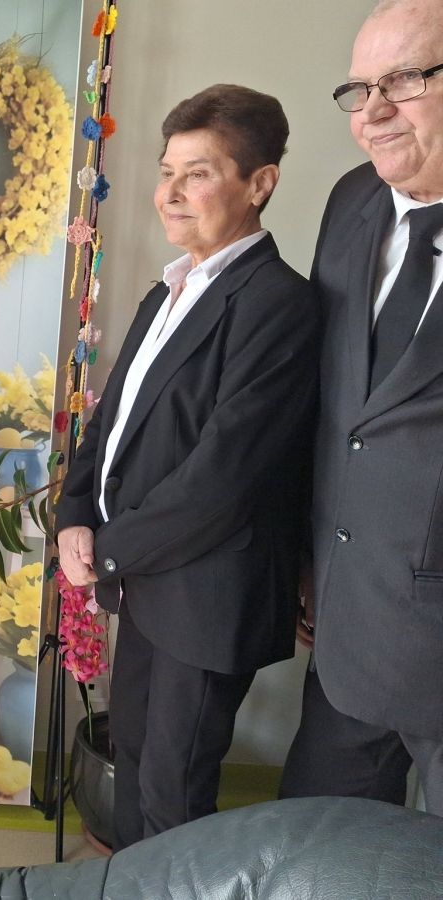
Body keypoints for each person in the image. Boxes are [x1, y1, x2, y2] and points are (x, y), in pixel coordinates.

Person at [53, 84, 319, 849]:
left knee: (172, 799)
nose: (169, 193)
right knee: (134, 768)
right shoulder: (168, 292)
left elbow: (221, 480)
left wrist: (107, 549)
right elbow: (109, 426)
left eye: (196, 174)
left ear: (260, 183)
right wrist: (74, 513)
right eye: (166, 172)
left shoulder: (278, 304)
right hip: (147, 583)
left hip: (205, 597)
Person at [280, 0, 443, 814]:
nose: (373, 111)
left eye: (405, 79)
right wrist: (309, 557)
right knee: (315, 848)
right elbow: (332, 404)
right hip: (349, 629)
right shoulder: (352, 201)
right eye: (359, 88)